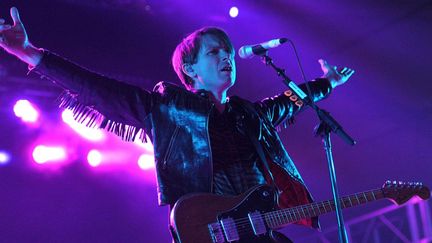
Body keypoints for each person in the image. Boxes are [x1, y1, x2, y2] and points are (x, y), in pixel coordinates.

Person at [0, 7, 354, 243]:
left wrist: (328, 84)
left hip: (259, 229)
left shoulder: (250, 114)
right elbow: (98, 89)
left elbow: (287, 101)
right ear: (190, 70)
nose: (226, 55)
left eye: (227, 50)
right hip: (212, 230)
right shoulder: (168, 109)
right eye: (214, 52)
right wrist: (32, 53)